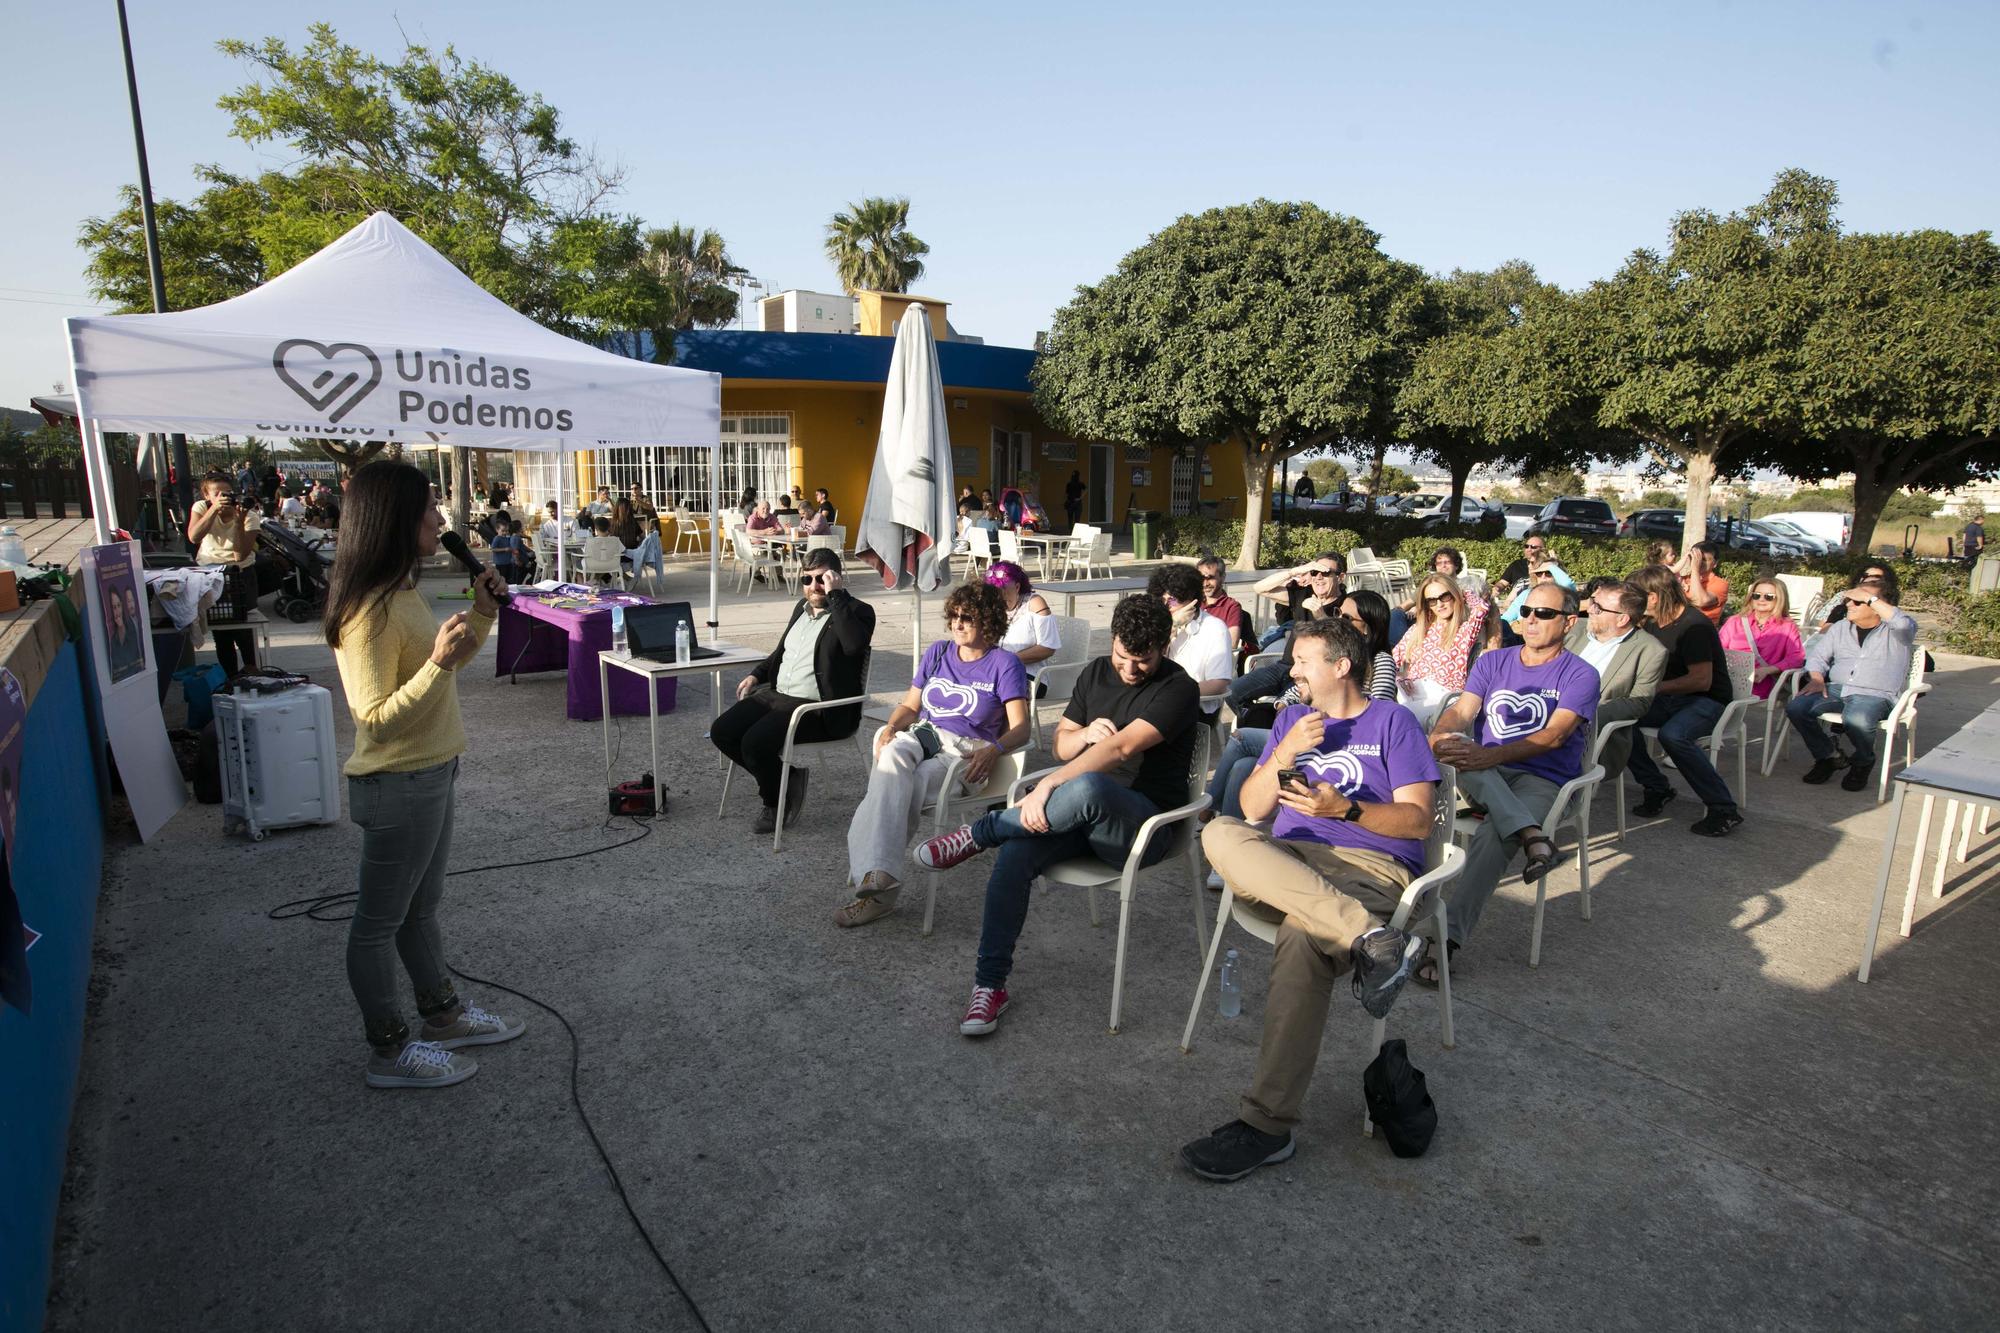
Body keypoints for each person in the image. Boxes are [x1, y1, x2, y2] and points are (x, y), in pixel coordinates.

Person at [1180, 618, 1441, 1180]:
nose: (1291, 671)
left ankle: (1267, 1127)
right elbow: (1251, 810)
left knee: (1304, 936)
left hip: (1370, 867)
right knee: (1220, 832)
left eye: (1302, 662)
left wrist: (1344, 810)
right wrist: (1281, 756)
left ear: (1341, 666)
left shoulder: (1393, 723)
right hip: (1290, 861)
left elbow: (1419, 822)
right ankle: (1373, 939)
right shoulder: (1293, 719)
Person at [323, 460, 522, 1089]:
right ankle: (390, 1052)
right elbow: (376, 719)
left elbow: (441, 674)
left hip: (433, 772)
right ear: (394, 520)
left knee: (420, 911)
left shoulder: (402, 591)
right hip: (397, 783)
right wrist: (436, 663)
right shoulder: (365, 614)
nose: (441, 520)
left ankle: (442, 1016)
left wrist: (483, 615)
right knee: (378, 924)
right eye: (430, 510)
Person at [916, 595, 1199, 1036]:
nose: (1129, 670)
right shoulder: (1096, 673)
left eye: (1142, 661)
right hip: (1079, 817)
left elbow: (1121, 749)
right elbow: (1063, 744)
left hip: (1143, 828)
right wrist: (1084, 734)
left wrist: (1049, 783)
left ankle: (982, 830)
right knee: (1015, 856)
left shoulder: (1179, 688)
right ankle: (990, 987)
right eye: (1122, 657)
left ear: (1165, 645)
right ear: (1114, 643)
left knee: (1088, 786)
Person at [835, 583, 1031, 928]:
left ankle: (878, 888)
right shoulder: (938, 652)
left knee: (893, 788)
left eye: (966, 617)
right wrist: (893, 727)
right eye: (953, 616)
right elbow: (911, 706)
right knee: (892, 756)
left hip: (965, 755)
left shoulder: (1005, 664)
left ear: (988, 621)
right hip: (924, 736)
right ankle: (880, 875)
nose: (957, 623)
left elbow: (1022, 729)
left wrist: (994, 750)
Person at [1426, 582, 1598, 972]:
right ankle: (1533, 837)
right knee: (1431, 773)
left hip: (1544, 779)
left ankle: (1445, 940)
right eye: (1525, 612)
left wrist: (1486, 754)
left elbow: (1554, 736)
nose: (1531, 619)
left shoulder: (1581, 674)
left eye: (1544, 613)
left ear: (1569, 622)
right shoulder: (1492, 662)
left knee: (1495, 833)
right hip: (1483, 770)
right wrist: (1441, 734)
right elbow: (1463, 712)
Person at [712, 548, 877, 833]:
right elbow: (782, 652)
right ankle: (787, 777)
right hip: (778, 697)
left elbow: (853, 646)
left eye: (821, 579)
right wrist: (756, 675)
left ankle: (776, 801)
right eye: (808, 579)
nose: (814, 587)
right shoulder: (800, 608)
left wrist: (836, 596)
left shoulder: (857, 611)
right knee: (723, 731)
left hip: (818, 708)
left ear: (836, 578)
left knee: (754, 743)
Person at [1623, 563, 1742, 836]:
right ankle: (1657, 787)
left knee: (1674, 735)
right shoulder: (1651, 623)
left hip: (1706, 700)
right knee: (1619, 720)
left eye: (1634, 596)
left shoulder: (1694, 626)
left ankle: (1723, 808)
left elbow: (1702, 680)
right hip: (1670, 697)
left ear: (1652, 597)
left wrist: (1653, 688)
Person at [1785, 581, 1918, 792]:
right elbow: (1818, 657)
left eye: (1859, 601)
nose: (1849, 604)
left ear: (1878, 605)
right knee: (1797, 708)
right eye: (1849, 599)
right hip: (1838, 688)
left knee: (1856, 719)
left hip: (1875, 694)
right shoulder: (1840, 628)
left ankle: (1863, 761)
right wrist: (1817, 678)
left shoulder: (1897, 632)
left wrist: (1870, 598)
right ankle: (1829, 756)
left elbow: (1902, 623)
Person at [1564, 580, 1666, 780]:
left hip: (1589, 732)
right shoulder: (1574, 629)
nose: (1590, 610)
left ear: (1622, 619)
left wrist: (1585, 715)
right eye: (1592, 602)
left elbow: (1639, 702)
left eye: (1598, 608)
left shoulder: (1650, 651)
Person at [187, 470, 270, 675]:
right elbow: (194, 537)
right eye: (217, 494)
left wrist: (239, 523)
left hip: (240, 573)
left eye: (228, 493)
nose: (224, 498)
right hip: (210, 572)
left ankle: (252, 673)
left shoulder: (248, 515)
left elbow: (240, 554)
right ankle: (230, 678)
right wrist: (213, 510)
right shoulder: (202, 507)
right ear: (207, 496)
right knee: (222, 632)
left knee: (244, 630)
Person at [1393, 572, 1489, 724]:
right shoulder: (1417, 630)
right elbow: (1392, 661)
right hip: (1411, 693)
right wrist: (1400, 678)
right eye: (1431, 600)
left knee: (1396, 719)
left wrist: (1462, 592)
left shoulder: (1464, 630)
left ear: (1454, 595)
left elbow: (1481, 608)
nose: (1440, 604)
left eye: (1445, 596)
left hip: (1444, 697)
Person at [1151, 562, 1235, 719]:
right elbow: (1145, 660)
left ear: (1192, 600)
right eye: (1161, 600)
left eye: (1172, 600)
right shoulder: (1160, 623)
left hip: (1196, 705)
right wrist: (1171, 627)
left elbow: (1218, 683)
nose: (1166, 606)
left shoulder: (1214, 628)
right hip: (1158, 700)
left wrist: (1175, 694)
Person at [1719, 578, 1805, 700]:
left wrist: (1768, 670)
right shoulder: (1735, 622)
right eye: (1756, 595)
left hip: (1761, 683)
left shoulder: (1787, 627)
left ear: (1779, 599)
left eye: (1769, 596)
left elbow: (1796, 658)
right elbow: (1717, 650)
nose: (1761, 599)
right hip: (1729, 680)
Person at [1250, 552, 1345, 651]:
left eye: (1326, 572)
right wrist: (1293, 572)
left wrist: (1322, 617)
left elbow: (1344, 642)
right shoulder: (1303, 594)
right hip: (1289, 662)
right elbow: (1259, 588)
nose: (1319, 577)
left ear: (1340, 578)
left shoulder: (1349, 603)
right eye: (1314, 572)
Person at [985, 561, 1059, 677]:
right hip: (994, 671)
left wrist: (1008, 661)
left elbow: (1048, 647)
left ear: (1017, 587)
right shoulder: (991, 605)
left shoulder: (1034, 604)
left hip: (1028, 674)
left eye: (1003, 592)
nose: (998, 597)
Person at [1335, 589, 1401, 703]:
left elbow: (1381, 710)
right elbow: (1296, 694)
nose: (1337, 621)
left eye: (1346, 618)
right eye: (1337, 613)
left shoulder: (1381, 661)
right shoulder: (1329, 654)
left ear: (1367, 628)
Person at [1195, 553, 1246, 652]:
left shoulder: (1232, 607)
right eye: (1201, 578)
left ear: (1223, 577)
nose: (1205, 583)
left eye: (1210, 578)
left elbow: (1232, 644)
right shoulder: (1193, 601)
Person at [1676, 540, 1729, 625]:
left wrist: (1695, 569)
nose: (1699, 562)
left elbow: (1699, 601)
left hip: (1701, 631)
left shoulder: (1720, 584)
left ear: (1715, 563)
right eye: (1696, 558)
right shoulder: (1682, 579)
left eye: (1703, 559)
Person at [582, 516, 628, 584]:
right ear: (609, 527)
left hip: (594, 565)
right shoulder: (615, 540)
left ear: (596, 528)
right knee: (605, 559)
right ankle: (597, 579)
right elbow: (623, 550)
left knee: (590, 560)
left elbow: (585, 552)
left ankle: (595, 580)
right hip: (612, 565)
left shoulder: (590, 541)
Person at [488, 517, 528, 585]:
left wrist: (513, 551)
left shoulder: (507, 537)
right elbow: (492, 549)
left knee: (509, 579)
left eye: (506, 531)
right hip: (500, 563)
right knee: (502, 579)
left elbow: (510, 547)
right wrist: (504, 549)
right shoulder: (497, 538)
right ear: (497, 530)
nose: (505, 533)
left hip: (508, 562)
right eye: (503, 531)